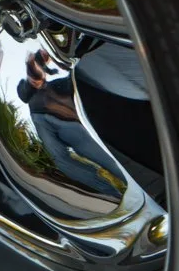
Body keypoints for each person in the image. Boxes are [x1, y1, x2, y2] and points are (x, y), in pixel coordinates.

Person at [17, 51, 126, 199]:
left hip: (69, 124)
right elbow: (25, 93)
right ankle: (112, 193)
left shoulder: (58, 80)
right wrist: (32, 73)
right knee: (61, 160)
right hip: (41, 119)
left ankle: (125, 188)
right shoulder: (27, 86)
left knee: (108, 161)